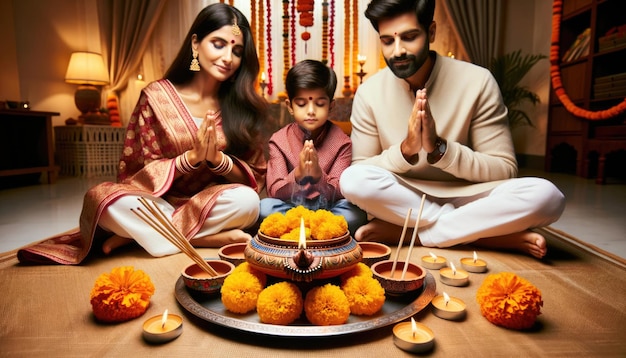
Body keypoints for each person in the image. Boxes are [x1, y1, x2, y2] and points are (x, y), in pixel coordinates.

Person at [17, 3, 268, 264]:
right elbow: (135, 170)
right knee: (102, 200)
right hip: (157, 202)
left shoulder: (241, 107)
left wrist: (218, 161)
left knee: (248, 202)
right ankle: (200, 237)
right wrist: (189, 159)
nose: (228, 57)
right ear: (196, 44)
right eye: (218, 44)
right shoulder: (156, 96)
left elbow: (254, 175)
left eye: (237, 50)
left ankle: (141, 235)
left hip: (211, 203)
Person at [339, 0, 565, 258]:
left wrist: (439, 149)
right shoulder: (369, 92)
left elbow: (504, 169)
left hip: (471, 196)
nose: (398, 50)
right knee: (352, 181)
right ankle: (486, 235)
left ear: (431, 32)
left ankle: (419, 234)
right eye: (387, 41)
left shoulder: (478, 81)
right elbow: (360, 169)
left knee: (549, 197)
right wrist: (405, 151)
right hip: (405, 198)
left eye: (410, 37)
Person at [259, 59, 367, 236]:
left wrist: (319, 176)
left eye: (319, 103)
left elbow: (342, 191)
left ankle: (300, 229)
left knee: (355, 213)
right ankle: (320, 230)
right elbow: (273, 190)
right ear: (290, 106)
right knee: (264, 208)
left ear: (331, 106)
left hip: (329, 208)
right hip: (290, 207)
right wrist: (298, 175)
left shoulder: (342, 142)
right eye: (301, 104)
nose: (310, 111)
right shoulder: (278, 141)